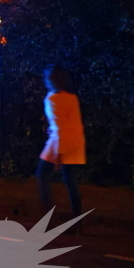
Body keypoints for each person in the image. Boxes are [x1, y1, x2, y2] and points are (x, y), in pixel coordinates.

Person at [36, 64, 86, 229]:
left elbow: (60, 128)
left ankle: (46, 220)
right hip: (76, 143)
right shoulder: (72, 97)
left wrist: (58, 154)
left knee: (42, 175)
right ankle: (77, 223)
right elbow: (71, 123)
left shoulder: (52, 99)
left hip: (58, 143)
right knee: (71, 181)